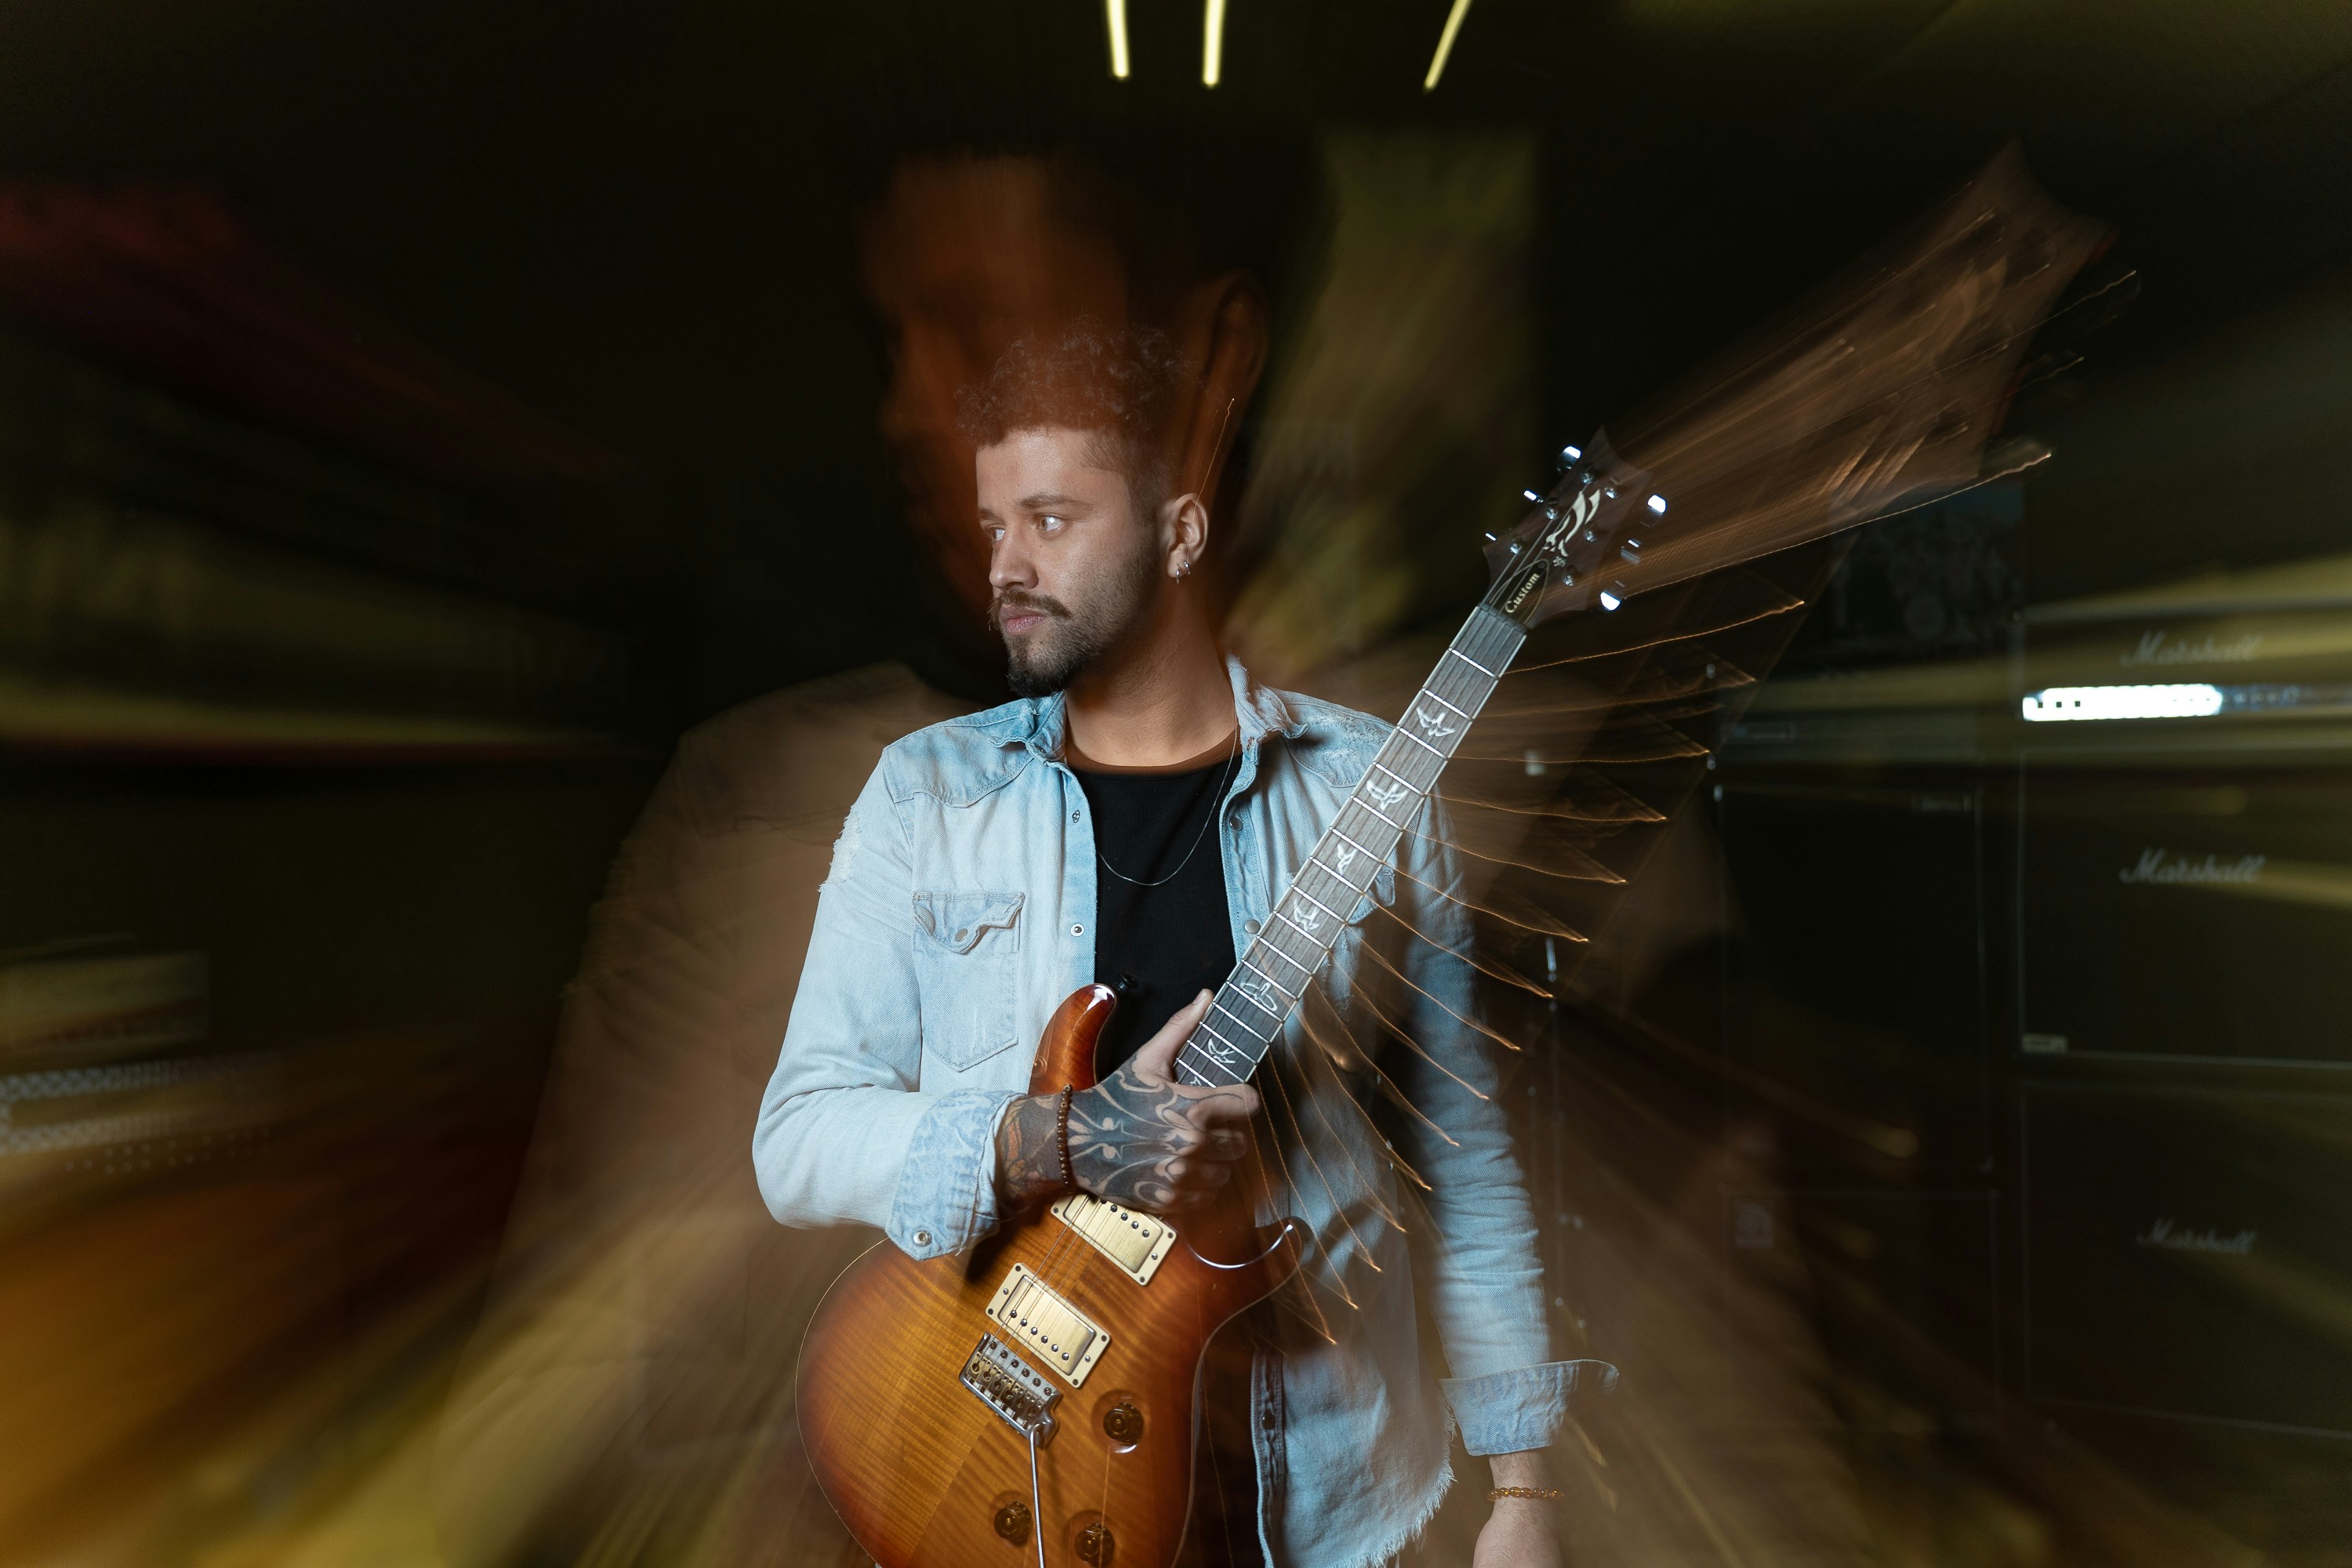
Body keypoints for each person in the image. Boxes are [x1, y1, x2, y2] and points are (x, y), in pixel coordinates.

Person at [753, 318, 1614, 1568]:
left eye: (1051, 519)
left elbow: (1462, 1148)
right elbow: (796, 1141)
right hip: (996, 1444)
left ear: (1180, 531)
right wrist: (1054, 1134)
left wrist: (1524, 1490)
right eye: (996, 526)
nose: (1007, 564)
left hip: (1317, 1491)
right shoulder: (924, 797)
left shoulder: (1368, 786)